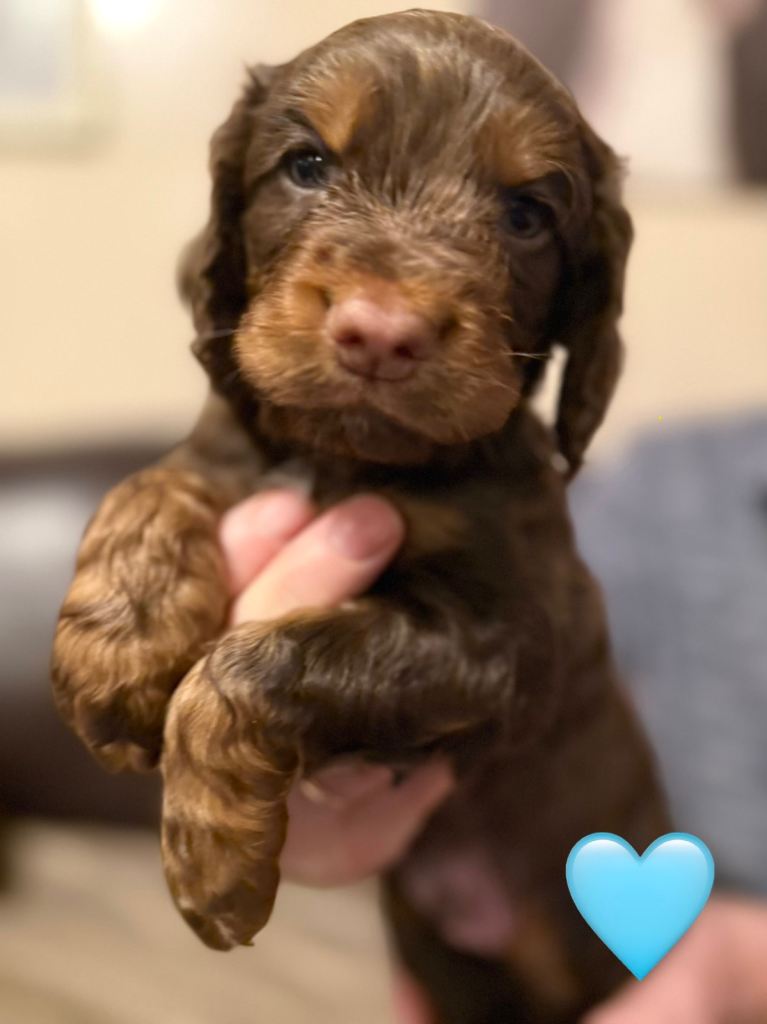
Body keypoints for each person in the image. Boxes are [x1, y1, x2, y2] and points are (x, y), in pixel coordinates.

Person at [217, 414, 767, 1022]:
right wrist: (304, 785)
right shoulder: (673, 482)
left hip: (639, 961)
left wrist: (738, 968)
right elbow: (523, 644)